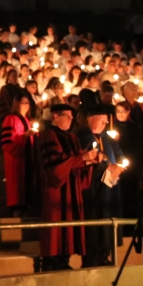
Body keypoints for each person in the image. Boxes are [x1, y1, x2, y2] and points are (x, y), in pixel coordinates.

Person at [38, 103, 98, 270]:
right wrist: (81, 159)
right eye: (67, 117)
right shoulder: (47, 135)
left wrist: (89, 161)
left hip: (72, 186)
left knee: (70, 223)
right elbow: (54, 164)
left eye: (72, 118)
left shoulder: (72, 137)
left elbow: (77, 159)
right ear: (55, 117)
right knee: (56, 223)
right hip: (57, 188)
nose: (71, 121)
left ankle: (65, 259)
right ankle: (52, 261)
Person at [74, 104, 124, 266]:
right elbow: (85, 161)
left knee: (108, 219)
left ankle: (104, 253)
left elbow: (119, 155)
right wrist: (107, 166)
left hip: (109, 186)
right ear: (90, 119)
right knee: (94, 224)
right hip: (92, 188)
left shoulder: (106, 139)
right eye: (100, 121)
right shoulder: (82, 137)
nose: (103, 125)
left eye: (105, 122)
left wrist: (120, 166)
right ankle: (92, 257)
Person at [0, 91, 35, 214]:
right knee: (17, 186)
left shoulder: (29, 120)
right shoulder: (10, 119)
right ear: (17, 104)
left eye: (27, 102)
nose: (25, 105)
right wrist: (24, 136)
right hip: (16, 158)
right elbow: (7, 142)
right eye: (22, 102)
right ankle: (16, 209)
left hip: (28, 156)